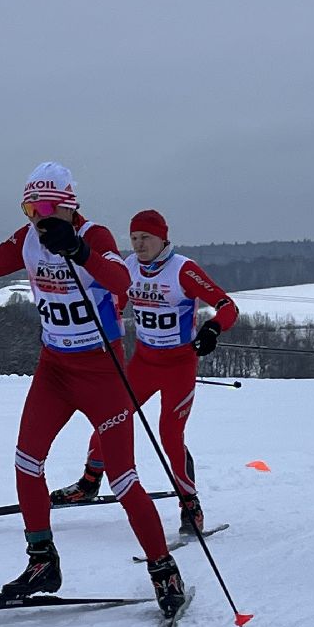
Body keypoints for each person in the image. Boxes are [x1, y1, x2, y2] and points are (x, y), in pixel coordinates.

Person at [0, 163, 188, 616]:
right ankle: (42, 562)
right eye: (29, 207)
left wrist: (78, 250)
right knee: (26, 460)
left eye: (45, 208)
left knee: (123, 479)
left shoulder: (94, 236)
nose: (36, 216)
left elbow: (122, 281)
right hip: (54, 368)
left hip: (102, 371)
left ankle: (164, 568)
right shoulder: (28, 238)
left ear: (69, 207)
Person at [50, 209, 238, 536]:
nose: (138, 245)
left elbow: (227, 306)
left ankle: (189, 504)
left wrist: (212, 329)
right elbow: (115, 300)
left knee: (169, 434)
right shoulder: (129, 268)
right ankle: (90, 481)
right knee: (111, 417)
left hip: (179, 366)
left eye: (145, 238)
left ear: (163, 237)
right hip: (144, 363)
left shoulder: (183, 269)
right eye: (134, 238)